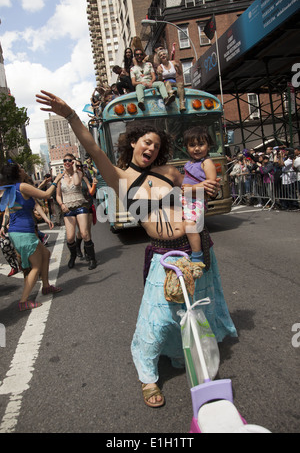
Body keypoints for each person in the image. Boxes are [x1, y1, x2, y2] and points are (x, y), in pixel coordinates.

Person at [36, 90, 238, 408]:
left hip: (195, 249)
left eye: (156, 145)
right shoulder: (120, 179)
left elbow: (192, 206)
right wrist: (71, 115)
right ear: (132, 142)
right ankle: (147, 376)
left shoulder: (170, 172)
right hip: (162, 254)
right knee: (156, 320)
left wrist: (205, 190)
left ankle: (192, 359)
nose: (151, 148)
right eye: (146, 142)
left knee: (194, 312)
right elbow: (91, 147)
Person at [0, 162, 63, 311]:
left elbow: (9, 211)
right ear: (16, 173)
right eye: (20, 168)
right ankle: (23, 301)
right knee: (35, 266)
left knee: (45, 254)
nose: (23, 170)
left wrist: (3, 226)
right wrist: (56, 180)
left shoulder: (10, 190)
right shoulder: (22, 186)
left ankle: (46, 286)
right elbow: (46, 195)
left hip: (19, 232)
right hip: (24, 233)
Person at [181, 127, 216, 262]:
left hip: (197, 200)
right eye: (192, 145)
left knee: (190, 225)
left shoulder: (206, 162)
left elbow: (211, 183)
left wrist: (192, 188)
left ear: (208, 145)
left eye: (201, 144)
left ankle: (197, 255)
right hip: (187, 200)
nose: (197, 148)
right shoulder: (189, 163)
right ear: (186, 147)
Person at [56, 154, 97, 270]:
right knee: (70, 237)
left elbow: (77, 183)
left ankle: (92, 258)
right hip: (68, 209)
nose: (67, 162)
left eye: (70, 160)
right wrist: (61, 204)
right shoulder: (59, 177)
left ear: (73, 162)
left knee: (84, 233)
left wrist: (74, 169)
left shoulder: (78, 173)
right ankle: (73, 256)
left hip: (81, 206)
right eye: (65, 160)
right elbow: (58, 195)